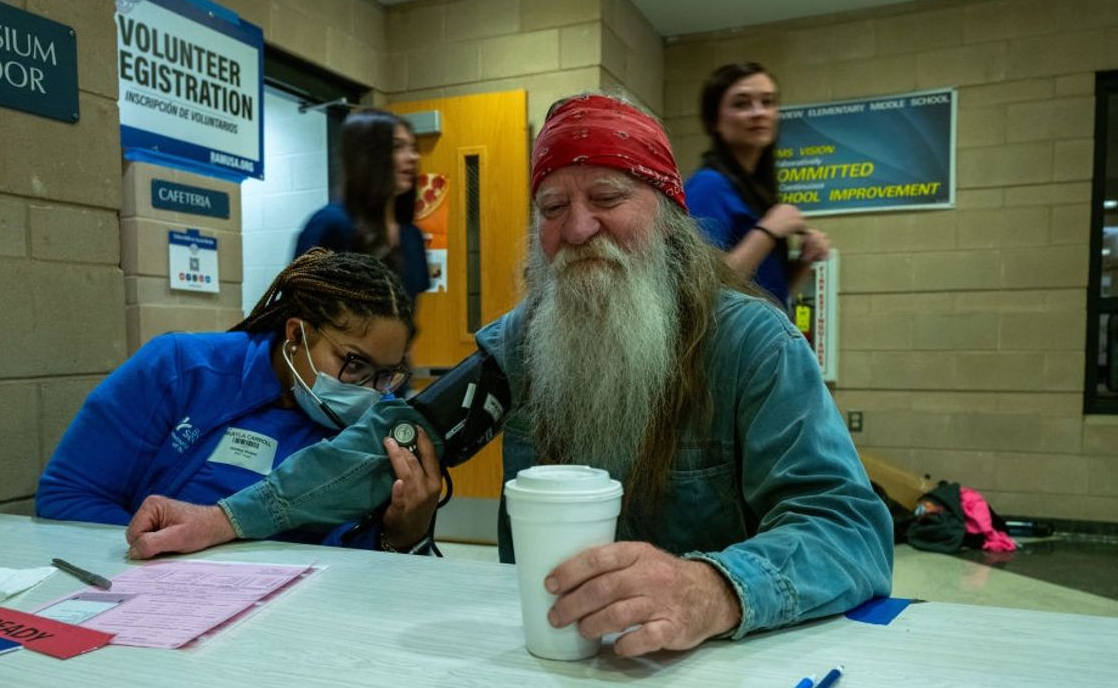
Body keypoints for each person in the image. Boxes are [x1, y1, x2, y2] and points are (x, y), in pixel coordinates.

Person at [124, 93, 893, 657]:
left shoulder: (751, 346)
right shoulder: (528, 343)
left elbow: (849, 531)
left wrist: (713, 587)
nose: (578, 228)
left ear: (665, 213)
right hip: (547, 660)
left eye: (607, 198)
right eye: (553, 205)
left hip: (707, 667)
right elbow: (401, 435)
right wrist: (224, 520)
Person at [36, 248, 441, 553]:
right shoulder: (182, 371)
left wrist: (402, 533)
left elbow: (354, 565)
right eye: (354, 365)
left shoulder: (365, 436)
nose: (369, 392)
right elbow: (66, 497)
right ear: (296, 335)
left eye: (386, 376)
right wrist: (166, 557)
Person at [684, 62, 831, 308]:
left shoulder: (757, 193)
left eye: (768, 102)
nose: (759, 112)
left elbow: (770, 301)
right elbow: (699, 289)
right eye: (742, 104)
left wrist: (803, 262)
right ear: (714, 122)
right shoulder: (709, 186)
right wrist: (769, 230)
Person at [294, 109, 430, 307]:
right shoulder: (331, 224)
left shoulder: (412, 236)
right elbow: (299, 308)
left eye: (413, 147)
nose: (413, 157)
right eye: (398, 147)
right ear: (368, 156)